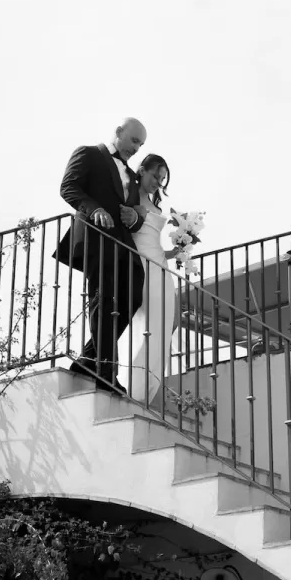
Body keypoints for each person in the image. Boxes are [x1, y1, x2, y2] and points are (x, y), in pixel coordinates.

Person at [58, 118, 147, 394]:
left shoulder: (132, 176)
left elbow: (132, 213)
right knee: (104, 300)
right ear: (119, 132)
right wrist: (93, 209)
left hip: (123, 245)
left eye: (141, 144)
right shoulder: (88, 153)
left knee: (132, 296)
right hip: (97, 241)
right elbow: (68, 187)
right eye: (134, 141)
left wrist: (134, 217)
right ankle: (106, 372)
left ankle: (87, 359)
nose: (137, 148)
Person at [126, 154, 176, 404]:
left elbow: (154, 241)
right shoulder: (129, 194)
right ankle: (134, 384)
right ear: (142, 170)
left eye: (162, 178)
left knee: (165, 322)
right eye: (156, 175)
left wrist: (175, 251)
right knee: (146, 324)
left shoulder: (153, 201)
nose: (159, 182)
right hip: (141, 263)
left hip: (160, 264)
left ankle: (148, 386)